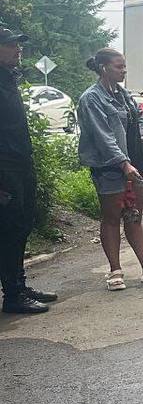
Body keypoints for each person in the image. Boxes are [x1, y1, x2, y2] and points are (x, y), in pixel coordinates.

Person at [77, 49, 143, 291]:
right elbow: (102, 136)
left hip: (138, 164)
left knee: (134, 216)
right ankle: (115, 271)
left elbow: (140, 119)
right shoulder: (92, 99)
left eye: (124, 66)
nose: (123, 70)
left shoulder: (123, 95)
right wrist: (123, 163)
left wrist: (140, 141)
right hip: (111, 168)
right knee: (112, 218)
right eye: (118, 66)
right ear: (104, 68)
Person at [0, 27, 57, 314]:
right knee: (9, 229)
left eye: (17, 45)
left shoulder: (9, 79)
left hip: (21, 164)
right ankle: (12, 295)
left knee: (21, 225)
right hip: (4, 169)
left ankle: (19, 286)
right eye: (10, 45)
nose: (17, 50)